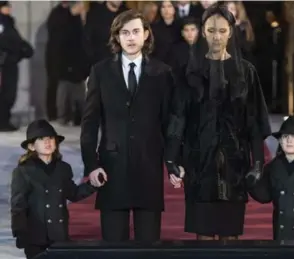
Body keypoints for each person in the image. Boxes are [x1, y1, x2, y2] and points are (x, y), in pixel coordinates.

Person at [164, 2, 271, 240]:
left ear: (231, 32)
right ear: (203, 31)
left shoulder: (246, 71)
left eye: (222, 31)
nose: (216, 36)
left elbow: (255, 122)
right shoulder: (188, 71)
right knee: (202, 235)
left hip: (235, 165)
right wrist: (171, 158)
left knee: (230, 235)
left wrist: (256, 165)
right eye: (211, 30)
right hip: (198, 163)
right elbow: (177, 118)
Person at [80, 9, 175, 242]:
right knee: (113, 244)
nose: (131, 38)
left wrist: (172, 162)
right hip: (111, 168)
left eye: (135, 32)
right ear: (116, 37)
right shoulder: (100, 71)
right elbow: (90, 123)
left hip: (148, 167)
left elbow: (170, 122)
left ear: (146, 35)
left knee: (149, 244)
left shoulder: (162, 73)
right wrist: (91, 165)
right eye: (125, 33)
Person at [10, 119, 96, 259]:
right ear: (32, 146)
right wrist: (20, 233)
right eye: (41, 139)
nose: (47, 142)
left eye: (50, 138)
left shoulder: (63, 169)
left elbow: (73, 193)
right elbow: (18, 206)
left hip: (59, 236)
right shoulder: (23, 171)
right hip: (36, 237)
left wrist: (93, 185)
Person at [0, 1, 33, 131]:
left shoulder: (9, 23)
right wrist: (17, 50)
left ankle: (5, 120)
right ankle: (2, 121)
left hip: (10, 63)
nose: (9, 9)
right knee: (5, 93)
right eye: (6, 6)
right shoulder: (2, 23)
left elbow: (17, 41)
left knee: (10, 93)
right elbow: (6, 42)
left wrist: (24, 50)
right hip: (4, 64)